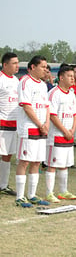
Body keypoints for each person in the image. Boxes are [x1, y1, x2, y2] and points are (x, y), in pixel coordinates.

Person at [15, 55, 50, 207]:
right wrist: (39, 124)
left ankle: (32, 194)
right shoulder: (25, 82)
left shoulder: (43, 85)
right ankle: (20, 196)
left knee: (36, 161)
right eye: (42, 66)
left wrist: (46, 124)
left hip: (42, 130)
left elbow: (47, 106)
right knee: (24, 161)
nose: (45, 70)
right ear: (33, 67)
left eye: (46, 67)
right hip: (29, 128)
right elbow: (26, 106)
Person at [45, 66, 76, 203]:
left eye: (73, 76)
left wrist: (72, 130)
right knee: (52, 164)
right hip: (56, 135)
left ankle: (63, 191)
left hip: (68, 136)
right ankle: (49, 193)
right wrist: (64, 130)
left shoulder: (71, 94)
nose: (73, 78)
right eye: (69, 76)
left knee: (65, 164)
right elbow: (52, 115)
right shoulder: (54, 93)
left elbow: (75, 114)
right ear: (61, 78)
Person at [0, 52, 19, 196]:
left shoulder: (16, 81)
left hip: (13, 125)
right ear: (5, 65)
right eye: (14, 63)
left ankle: (3, 185)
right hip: (2, 123)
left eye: (18, 63)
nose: (17, 66)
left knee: (8, 155)